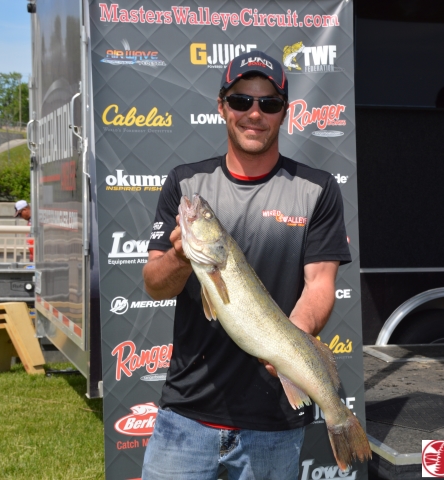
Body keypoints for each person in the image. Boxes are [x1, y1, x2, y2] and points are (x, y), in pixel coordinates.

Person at [141, 50, 351, 479]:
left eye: (269, 104)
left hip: (274, 423)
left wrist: (291, 345)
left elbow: (319, 285)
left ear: (284, 113)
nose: (254, 113)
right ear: (222, 107)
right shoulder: (186, 184)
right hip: (185, 416)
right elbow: (155, 284)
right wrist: (181, 254)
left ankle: (341, 423)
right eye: (241, 100)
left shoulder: (317, 189)